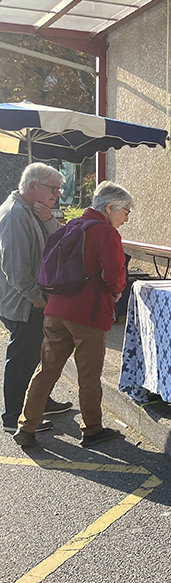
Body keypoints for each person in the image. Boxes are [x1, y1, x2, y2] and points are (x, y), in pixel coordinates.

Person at [13, 182, 132, 448]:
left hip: (56, 309)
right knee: (89, 374)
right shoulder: (106, 232)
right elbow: (115, 274)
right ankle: (92, 429)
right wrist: (116, 293)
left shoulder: (72, 225)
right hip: (88, 312)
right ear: (110, 207)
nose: (126, 218)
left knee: (46, 369)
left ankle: (26, 426)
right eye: (125, 212)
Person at [0, 163, 73, 435]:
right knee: (23, 357)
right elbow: (16, 269)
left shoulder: (32, 211)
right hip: (23, 302)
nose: (57, 194)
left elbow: (60, 241)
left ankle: (40, 401)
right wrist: (36, 299)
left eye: (59, 189)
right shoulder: (15, 214)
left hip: (32, 299)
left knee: (38, 354)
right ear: (33, 186)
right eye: (53, 189)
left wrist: (48, 219)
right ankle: (13, 417)